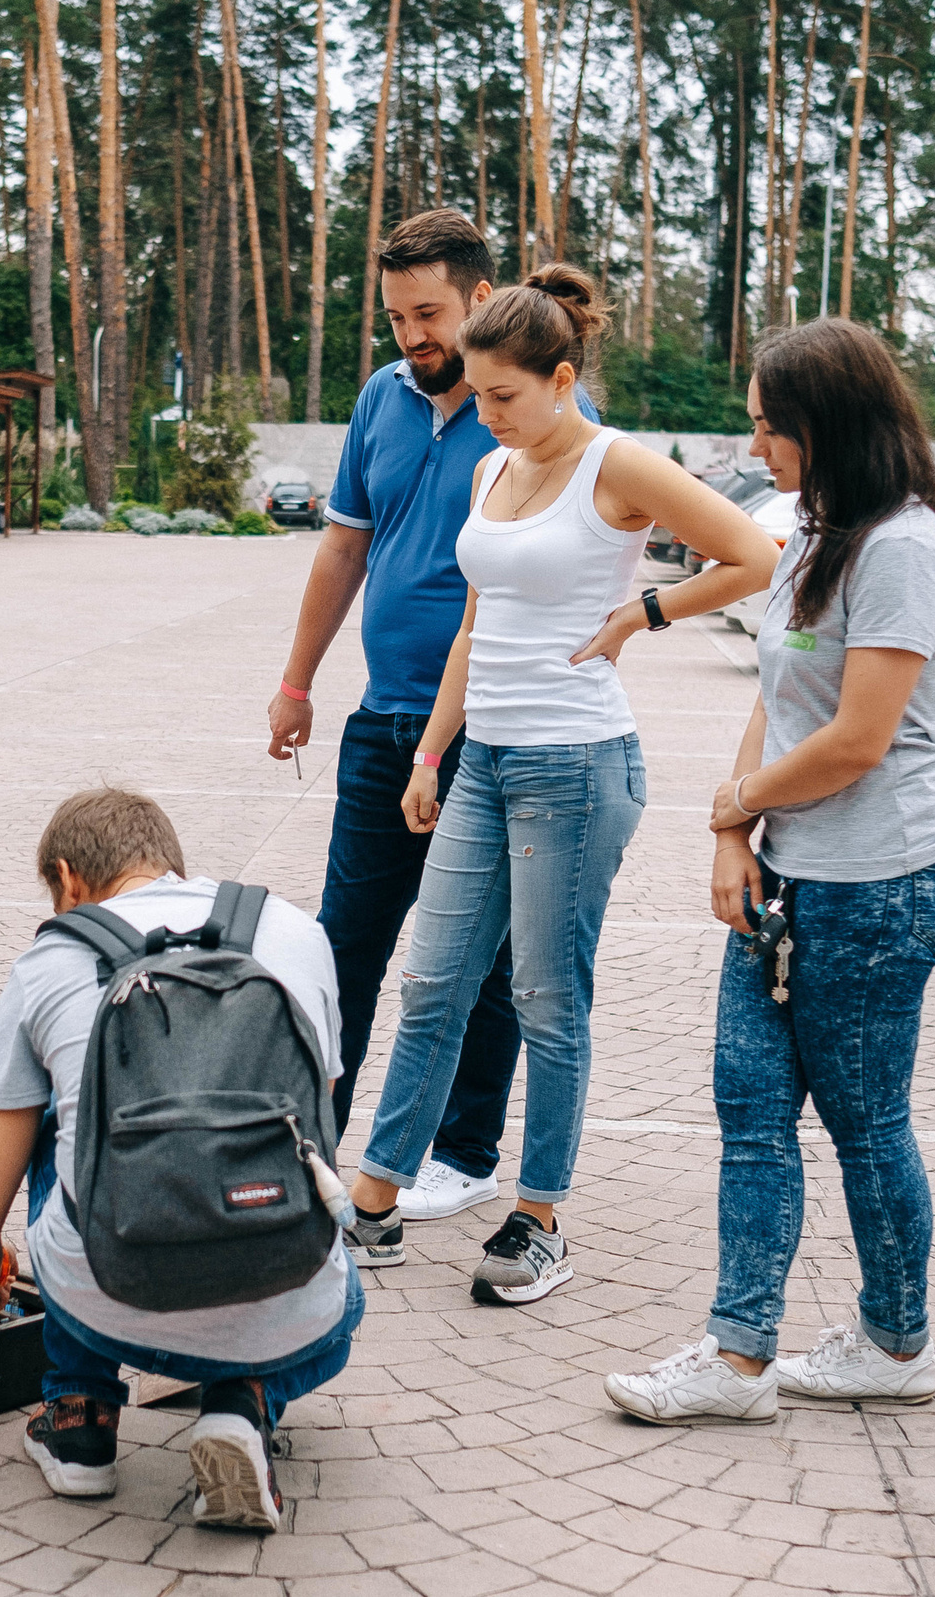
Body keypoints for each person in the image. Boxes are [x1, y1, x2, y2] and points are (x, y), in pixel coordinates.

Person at [339, 267, 777, 1306]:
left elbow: (753, 554)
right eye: (479, 394)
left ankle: (538, 1218)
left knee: (545, 995)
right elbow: (475, 624)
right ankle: (373, 1200)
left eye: (504, 395)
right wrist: (430, 753)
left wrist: (645, 614)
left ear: (562, 379)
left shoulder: (613, 463)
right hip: (483, 759)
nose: (486, 413)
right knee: (432, 981)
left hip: (575, 766)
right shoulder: (496, 467)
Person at [601, 318, 935, 1426]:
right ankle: (738, 1359)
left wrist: (739, 805)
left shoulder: (902, 547)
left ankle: (895, 1342)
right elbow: (777, 700)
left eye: (771, 428)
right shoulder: (815, 529)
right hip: (790, 874)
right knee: (751, 1110)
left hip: (882, 885)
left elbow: (859, 740)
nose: (755, 447)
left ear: (832, 425)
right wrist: (735, 835)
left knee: (865, 1124)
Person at [266, 208, 593, 1224]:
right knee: (346, 944)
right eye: (397, 317)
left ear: (481, 300)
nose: (412, 335)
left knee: (481, 960)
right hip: (383, 723)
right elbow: (344, 546)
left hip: (492, 731)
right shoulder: (383, 396)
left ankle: (463, 1150)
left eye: (429, 314)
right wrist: (296, 682)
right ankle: (314, 1137)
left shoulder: (535, 416)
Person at [0, 788, 358, 1533]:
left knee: (52, 1119)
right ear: (172, 865)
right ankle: (244, 1401)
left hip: (104, 1295)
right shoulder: (295, 931)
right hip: (280, 1284)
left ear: (68, 880)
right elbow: (316, 1131)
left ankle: (79, 1416)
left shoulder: (51, 960)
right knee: (342, 1307)